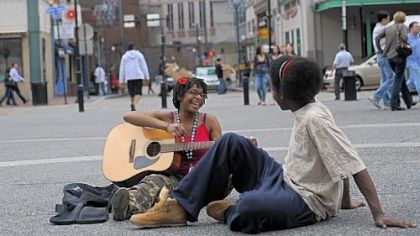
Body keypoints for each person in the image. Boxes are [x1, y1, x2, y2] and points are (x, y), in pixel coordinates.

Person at [129, 55, 416, 233]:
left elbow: (350, 161)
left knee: (250, 208)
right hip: (283, 177)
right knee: (230, 142)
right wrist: (342, 200)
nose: (271, 92)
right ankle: (180, 207)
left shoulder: (315, 119)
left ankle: (231, 211)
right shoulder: (306, 108)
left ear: (283, 93)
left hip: (305, 200)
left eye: (272, 87)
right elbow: (334, 158)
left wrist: (378, 213)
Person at [110, 77, 227, 221]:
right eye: (194, 92)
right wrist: (166, 126)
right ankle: (127, 204)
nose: (198, 97)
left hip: (203, 179)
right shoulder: (167, 117)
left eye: (202, 95)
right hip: (174, 178)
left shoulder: (209, 120)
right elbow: (129, 116)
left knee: (232, 171)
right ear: (180, 95)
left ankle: (251, 199)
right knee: (153, 181)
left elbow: (220, 151)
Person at [375, 11, 415, 111]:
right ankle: (394, 104)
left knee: (401, 79)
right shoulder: (403, 27)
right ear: (403, 18)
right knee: (398, 79)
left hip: (389, 57)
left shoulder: (388, 28)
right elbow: (405, 38)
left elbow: (377, 38)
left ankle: (408, 101)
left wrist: (381, 50)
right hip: (399, 56)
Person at [368, 11, 395, 109]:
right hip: (383, 55)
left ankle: (387, 102)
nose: (388, 20)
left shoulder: (377, 28)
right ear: (384, 19)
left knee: (384, 80)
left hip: (380, 56)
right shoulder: (380, 29)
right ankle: (376, 96)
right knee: (391, 78)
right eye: (388, 18)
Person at [119, 43, 150, 111]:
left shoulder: (124, 57)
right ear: (134, 48)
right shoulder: (139, 55)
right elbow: (144, 66)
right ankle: (134, 104)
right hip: (138, 76)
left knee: (132, 94)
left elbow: (122, 69)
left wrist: (121, 80)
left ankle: (132, 103)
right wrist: (147, 77)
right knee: (138, 93)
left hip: (129, 77)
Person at [405, 21, 420, 103]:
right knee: (418, 77)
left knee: (412, 80)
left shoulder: (419, 37)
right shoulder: (407, 38)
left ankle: (403, 93)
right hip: (411, 62)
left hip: (419, 61)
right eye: (416, 26)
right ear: (411, 28)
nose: (419, 27)